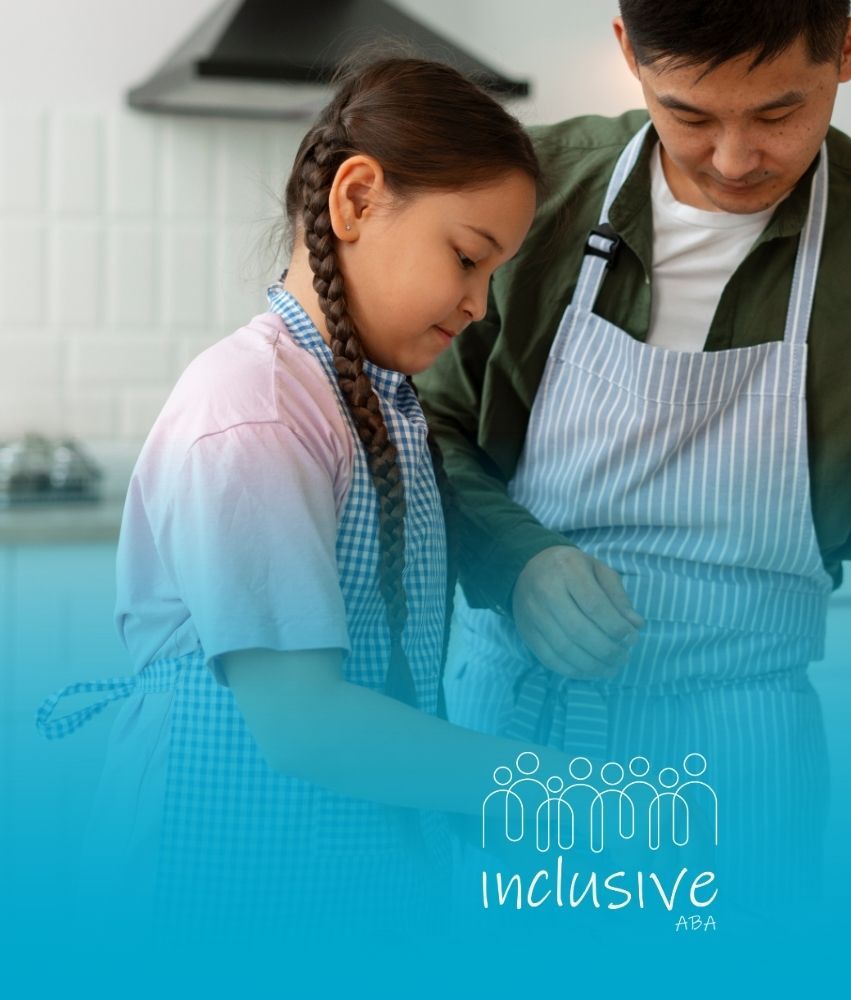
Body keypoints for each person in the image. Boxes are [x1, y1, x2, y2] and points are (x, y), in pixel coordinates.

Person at [416, 0, 851, 919]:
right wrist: (515, 560)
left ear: (848, 48)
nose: (735, 160)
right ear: (629, 53)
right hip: (510, 736)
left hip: (741, 759)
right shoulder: (525, 194)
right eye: (689, 114)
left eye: (778, 113)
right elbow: (419, 428)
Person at [34, 55, 556, 936]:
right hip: (210, 880)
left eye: (494, 273)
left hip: (336, 870)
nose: (480, 303)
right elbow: (302, 724)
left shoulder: (376, 402)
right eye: (468, 257)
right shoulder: (257, 411)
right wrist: (545, 790)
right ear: (357, 200)